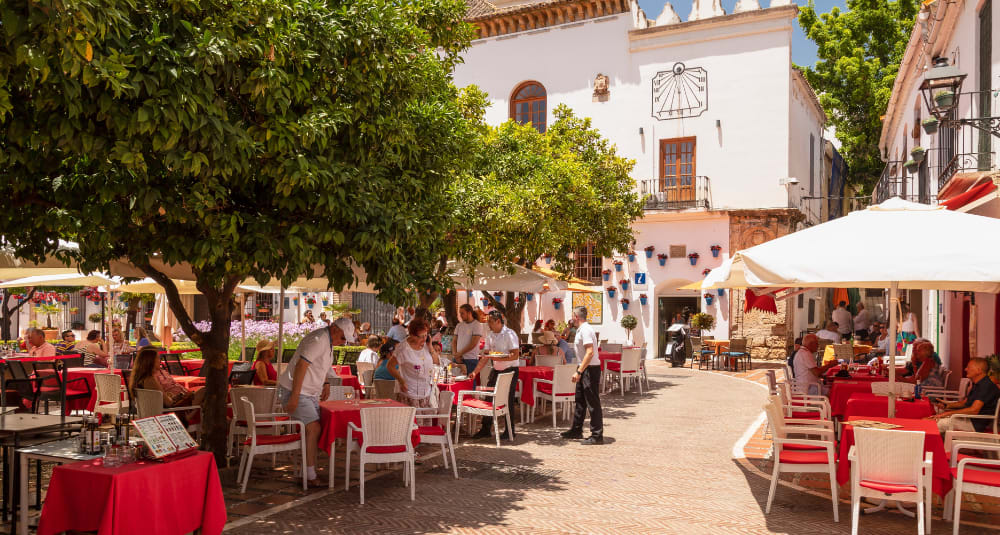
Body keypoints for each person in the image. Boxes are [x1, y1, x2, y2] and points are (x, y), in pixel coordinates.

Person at [277, 321, 348, 486]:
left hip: (308, 393)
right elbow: (302, 366)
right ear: (335, 329)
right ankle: (309, 475)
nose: (344, 342)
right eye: (343, 337)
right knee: (314, 428)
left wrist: (326, 383)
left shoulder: (327, 340)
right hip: (297, 391)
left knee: (315, 428)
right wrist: (294, 396)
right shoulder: (319, 339)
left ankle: (307, 471)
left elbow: (320, 366)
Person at [470, 310, 521, 441]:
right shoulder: (490, 335)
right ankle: (485, 428)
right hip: (496, 369)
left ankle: (510, 430)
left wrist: (497, 357)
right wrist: (475, 371)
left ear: (498, 321)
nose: (489, 325)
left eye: (491, 322)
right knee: (488, 398)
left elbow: (515, 354)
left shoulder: (509, 334)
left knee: (507, 400)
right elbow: (486, 356)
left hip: (510, 370)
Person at [560, 306, 604, 444]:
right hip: (584, 367)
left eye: (572, 315)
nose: (571, 317)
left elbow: (590, 352)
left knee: (592, 403)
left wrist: (579, 371)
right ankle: (576, 430)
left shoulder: (585, 330)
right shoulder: (582, 329)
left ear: (576, 316)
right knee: (580, 401)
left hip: (590, 369)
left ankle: (597, 435)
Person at [129, 347, 205, 417]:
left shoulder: (140, 378)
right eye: (158, 358)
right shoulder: (150, 380)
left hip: (155, 412)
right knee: (204, 391)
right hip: (170, 414)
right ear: (151, 361)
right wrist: (182, 396)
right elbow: (168, 403)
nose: (160, 361)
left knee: (202, 395)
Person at [930, 357, 1000, 433]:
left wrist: (947, 413)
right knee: (932, 417)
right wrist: (946, 405)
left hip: (974, 424)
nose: (965, 369)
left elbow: (974, 410)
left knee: (933, 423)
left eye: (969, 367)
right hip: (967, 418)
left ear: (978, 370)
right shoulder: (977, 384)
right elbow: (964, 403)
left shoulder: (986, 386)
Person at [387, 318, 440, 409]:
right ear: (412, 335)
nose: (424, 339)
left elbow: (436, 362)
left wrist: (430, 346)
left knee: (426, 423)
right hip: (410, 394)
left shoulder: (426, 344)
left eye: (426, 335)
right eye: (421, 336)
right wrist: (401, 381)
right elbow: (390, 366)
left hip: (426, 393)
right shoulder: (403, 349)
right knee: (414, 422)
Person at [454, 304, 484, 376]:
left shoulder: (477, 325)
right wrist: (456, 355)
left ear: (469, 313)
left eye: (462, 313)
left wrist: (459, 354)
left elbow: (473, 343)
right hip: (458, 358)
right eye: (460, 313)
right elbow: (454, 341)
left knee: (469, 383)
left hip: (470, 359)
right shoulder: (459, 325)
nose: (460, 315)